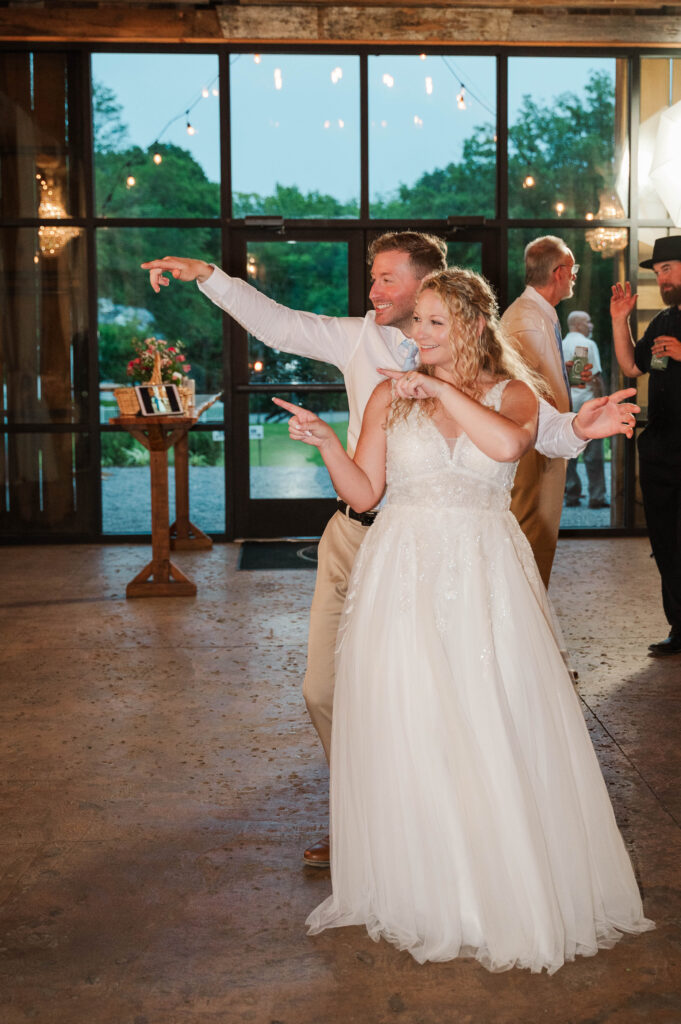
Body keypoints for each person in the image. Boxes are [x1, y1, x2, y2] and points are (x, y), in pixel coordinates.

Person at [142, 239, 640, 868]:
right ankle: (366, 817)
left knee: (458, 697)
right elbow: (276, 323)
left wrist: (580, 428)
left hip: (466, 551)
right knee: (329, 690)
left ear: (433, 286)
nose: (372, 291)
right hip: (365, 537)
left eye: (385, 280)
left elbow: (535, 431)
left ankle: (447, 835)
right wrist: (206, 274)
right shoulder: (360, 341)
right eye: (371, 280)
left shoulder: (494, 373)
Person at [273, 268, 653, 971]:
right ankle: (423, 888)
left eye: (430, 323)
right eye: (413, 321)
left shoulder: (509, 391)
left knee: (488, 715)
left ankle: (496, 885)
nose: (413, 335)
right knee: (412, 719)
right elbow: (365, 492)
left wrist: (568, 422)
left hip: (483, 574)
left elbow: (514, 445)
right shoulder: (390, 393)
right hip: (401, 572)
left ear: (472, 329)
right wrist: (327, 444)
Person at [611, 234, 681, 657]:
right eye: (658, 273)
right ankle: (679, 625)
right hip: (662, 451)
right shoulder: (664, 322)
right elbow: (632, 368)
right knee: (667, 542)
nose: (662, 279)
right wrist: (620, 320)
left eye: (668, 269)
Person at [501, 236, 577, 587]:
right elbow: (526, 389)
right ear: (559, 272)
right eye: (572, 270)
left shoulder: (538, 314)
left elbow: (539, 374)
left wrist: (570, 374)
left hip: (543, 442)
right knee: (532, 532)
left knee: (540, 536)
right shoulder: (525, 319)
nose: (574, 277)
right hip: (536, 446)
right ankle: (525, 619)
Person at [562, 310, 608, 509]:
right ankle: (596, 496)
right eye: (588, 322)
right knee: (594, 454)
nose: (592, 326)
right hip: (588, 404)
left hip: (566, 406)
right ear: (579, 324)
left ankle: (572, 493)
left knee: (569, 452)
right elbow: (595, 377)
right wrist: (605, 402)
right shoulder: (587, 345)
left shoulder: (560, 344)